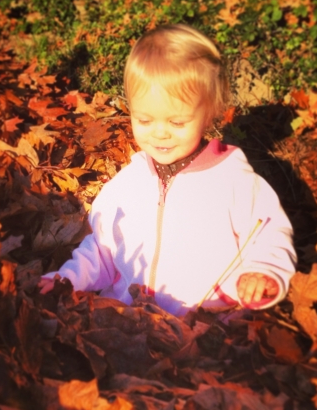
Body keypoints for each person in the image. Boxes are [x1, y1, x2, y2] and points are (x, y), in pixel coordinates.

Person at [38, 23, 296, 317]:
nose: (160, 133)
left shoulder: (233, 182)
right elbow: (102, 249)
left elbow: (267, 232)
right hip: (125, 321)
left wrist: (262, 273)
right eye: (145, 120)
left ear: (209, 111)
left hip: (202, 325)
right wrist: (69, 279)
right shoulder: (129, 184)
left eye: (177, 122)